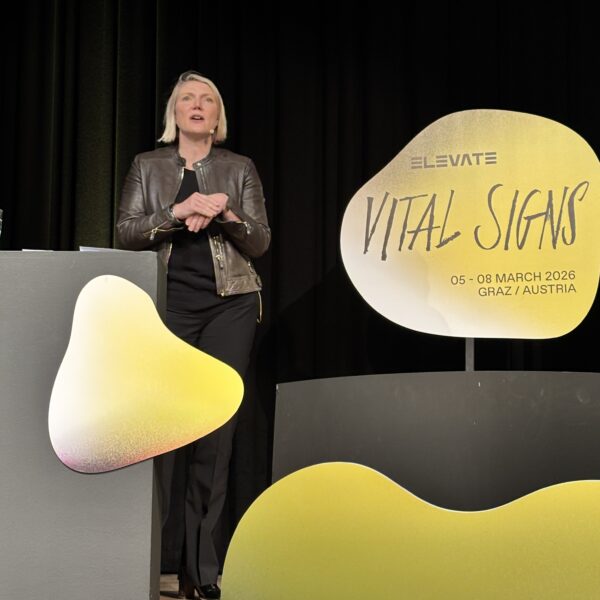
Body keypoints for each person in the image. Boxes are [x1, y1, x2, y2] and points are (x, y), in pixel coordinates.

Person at [117, 70, 270, 600]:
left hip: (230, 307)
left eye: (207, 99)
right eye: (187, 98)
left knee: (215, 436)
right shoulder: (147, 165)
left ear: (217, 115)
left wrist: (225, 211)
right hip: (165, 309)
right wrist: (178, 211)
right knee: (160, 437)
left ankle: (201, 573)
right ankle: (146, 564)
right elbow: (126, 232)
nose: (197, 105)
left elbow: (261, 241)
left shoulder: (239, 168)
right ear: (175, 113)